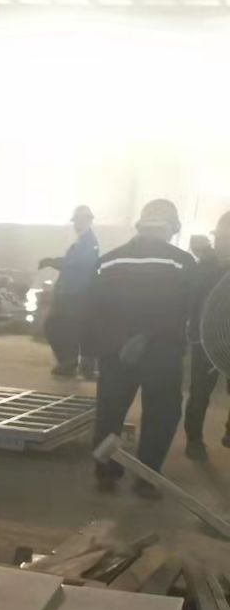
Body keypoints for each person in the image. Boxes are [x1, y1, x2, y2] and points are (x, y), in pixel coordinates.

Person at [89, 199, 199, 496]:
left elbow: (94, 308)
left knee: (110, 411)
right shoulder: (181, 262)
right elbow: (183, 309)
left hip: (115, 351)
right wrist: (147, 335)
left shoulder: (109, 260)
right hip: (161, 351)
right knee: (160, 413)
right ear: (172, 227)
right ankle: (147, 478)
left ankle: (105, 472)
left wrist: (103, 346)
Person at [182, 212, 230, 458]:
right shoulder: (204, 268)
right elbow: (191, 303)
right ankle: (194, 440)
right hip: (205, 341)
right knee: (200, 392)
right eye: (220, 238)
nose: (222, 243)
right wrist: (192, 335)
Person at [40, 204, 100, 379]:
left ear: (88, 221)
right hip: (70, 292)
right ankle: (69, 362)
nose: (77, 224)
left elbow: (76, 263)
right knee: (62, 327)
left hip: (76, 294)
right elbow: (71, 261)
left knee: (57, 326)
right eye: (76, 221)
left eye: (80, 220)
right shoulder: (82, 241)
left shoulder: (89, 243)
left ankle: (70, 363)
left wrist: (53, 262)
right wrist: (53, 261)